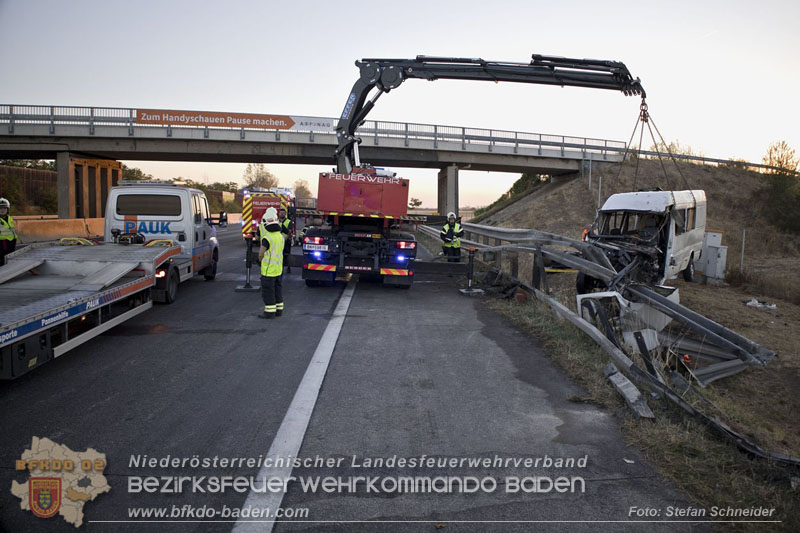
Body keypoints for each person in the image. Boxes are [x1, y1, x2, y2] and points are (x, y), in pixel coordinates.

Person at [258, 207, 285, 319]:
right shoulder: (280, 236)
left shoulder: (267, 238)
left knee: (268, 292)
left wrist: (259, 261)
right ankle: (279, 310)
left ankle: (269, 312)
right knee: (277, 290)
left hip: (268, 271)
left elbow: (261, 253)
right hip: (278, 270)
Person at [0, 198, 18, 265]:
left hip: (11, 242)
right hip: (2, 243)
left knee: (11, 259)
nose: (2, 210)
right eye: (0, 208)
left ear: (7, 209)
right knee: (3, 260)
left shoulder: (10, 218)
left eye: (4, 208)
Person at [280, 207, 292, 273]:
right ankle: (280, 267)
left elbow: (290, 231)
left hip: (286, 241)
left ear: (285, 214)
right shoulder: (277, 221)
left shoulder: (288, 222)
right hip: (278, 241)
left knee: (287, 254)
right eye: (280, 213)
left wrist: (285, 231)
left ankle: (288, 266)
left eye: (283, 213)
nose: (281, 214)